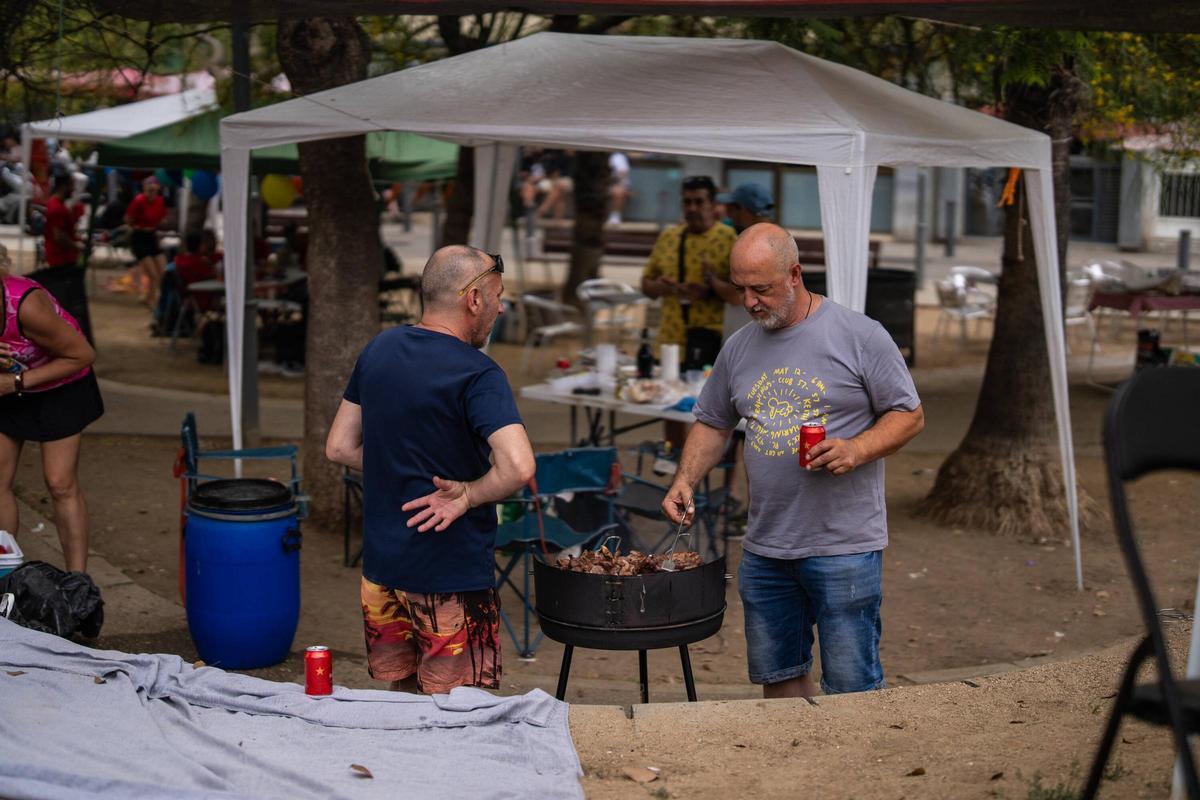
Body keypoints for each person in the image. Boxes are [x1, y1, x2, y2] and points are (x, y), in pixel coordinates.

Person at [662, 223, 924, 699]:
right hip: (766, 548)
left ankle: (852, 771)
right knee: (778, 679)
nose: (748, 301)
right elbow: (713, 422)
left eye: (760, 288)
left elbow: (910, 415)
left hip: (843, 545)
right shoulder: (739, 346)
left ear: (795, 274)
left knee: (851, 686)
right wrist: (685, 480)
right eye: (740, 289)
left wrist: (857, 448)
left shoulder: (859, 335)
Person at [325, 246, 535, 695]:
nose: (500, 307)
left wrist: (396, 463)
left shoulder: (379, 349)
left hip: (382, 571)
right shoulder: (479, 374)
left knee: (401, 698)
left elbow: (340, 447)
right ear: (473, 299)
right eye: (498, 296)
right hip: (450, 575)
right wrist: (470, 495)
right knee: (455, 707)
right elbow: (518, 466)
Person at [0, 243, 104, 574]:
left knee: (59, 482)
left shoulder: (25, 305)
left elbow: (83, 355)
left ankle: (79, 583)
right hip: (10, 385)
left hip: (62, 384)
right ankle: (6, 575)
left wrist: (17, 382)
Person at [640, 175, 736, 448]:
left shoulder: (728, 239)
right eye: (687, 202)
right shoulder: (669, 237)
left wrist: (709, 287)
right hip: (672, 337)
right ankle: (675, 463)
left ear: (714, 204)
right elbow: (646, 284)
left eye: (699, 202)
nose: (692, 208)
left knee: (713, 412)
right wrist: (664, 287)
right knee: (671, 406)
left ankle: (719, 480)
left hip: (712, 340)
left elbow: (740, 293)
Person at [125, 175, 168, 309]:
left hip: (152, 236)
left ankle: (153, 297)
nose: (151, 194)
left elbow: (161, 219)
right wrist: (136, 226)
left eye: (154, 191)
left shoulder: (159, 201)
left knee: (164, 272)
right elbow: (128, 219)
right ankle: (152, 301)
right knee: (152, 273)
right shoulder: (138, 201)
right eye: (149, 190)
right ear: (144, 190)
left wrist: (159, 226)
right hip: (140, 237)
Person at [42, 173, 83, 270]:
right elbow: (59, 236)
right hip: (61, 257)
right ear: (63, 186)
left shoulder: (55, 204)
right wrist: (77, 247)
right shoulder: (57, 208)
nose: (73, 189)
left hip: (60, 256)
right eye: (71, 185)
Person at [607, 152, 631, 225]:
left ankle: (615, 216)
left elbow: (623, 173)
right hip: (599, 184)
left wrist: (611, 179)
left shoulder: (618, 156)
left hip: (617, 183)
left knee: (618, 191)